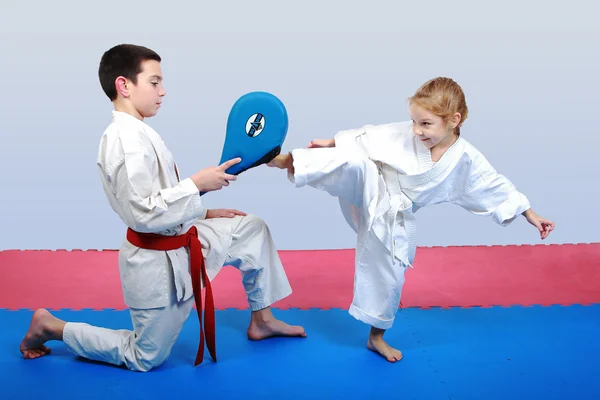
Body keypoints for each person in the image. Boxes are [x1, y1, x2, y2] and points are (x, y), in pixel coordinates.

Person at [19, 43, 306, 372]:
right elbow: (142, 213)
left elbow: (161, 195)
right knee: (145, 356)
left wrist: (203, 211)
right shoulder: (124, 142)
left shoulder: (139, 131)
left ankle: (263, 320)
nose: (162, 91)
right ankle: (51, 327)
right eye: (154, 82)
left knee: (249, 229)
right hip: (154, 262)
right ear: (124, 85)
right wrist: (197, 185)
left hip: (183, 236)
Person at [268, 77, 554, 363]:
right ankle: (285, 160)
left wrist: (529, 214)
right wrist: (334, 143)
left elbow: (493, 185)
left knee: (392, 278)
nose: (416, 130)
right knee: (353, 163)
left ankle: (375, 338)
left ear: (454, 120)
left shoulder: (467, 159)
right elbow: (371, 136)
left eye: (425, 124)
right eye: (414, 121)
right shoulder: (407, 133)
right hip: (371, 184)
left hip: (395, 216)